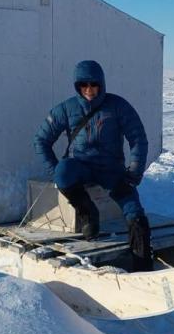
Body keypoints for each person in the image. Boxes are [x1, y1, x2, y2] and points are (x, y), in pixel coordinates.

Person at [33, 60, 153, 271]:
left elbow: (138, 139)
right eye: (84, 85)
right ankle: (88, 214)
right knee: (63, 172)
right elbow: (41, 140)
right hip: (81, 167)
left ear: (102, 84)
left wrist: (134, 171)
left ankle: (142, 265)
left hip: (111, 171)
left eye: (94, 84)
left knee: (134, 212)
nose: (89, 90)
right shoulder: (67, 108)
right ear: (77, 86)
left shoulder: (118, 106)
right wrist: (54, 173)